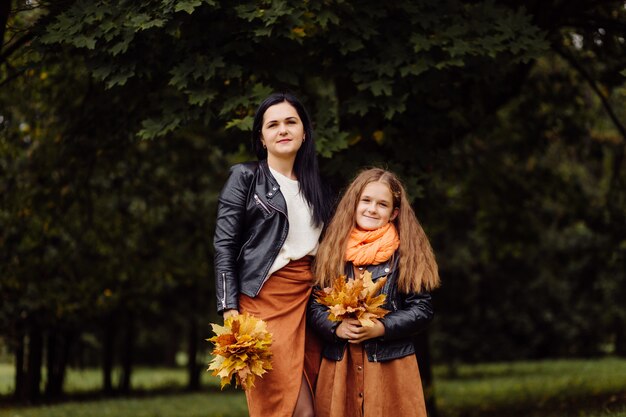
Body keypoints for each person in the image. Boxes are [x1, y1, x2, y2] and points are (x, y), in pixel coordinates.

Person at [213, 92, 331, 417]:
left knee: (318, 403)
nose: (283, 130)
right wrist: (229, 310)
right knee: (292, 409)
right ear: (262, 138)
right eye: (273, 124)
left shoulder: (319, 188)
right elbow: (225, 245)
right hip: (262, 306)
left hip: (308, 305)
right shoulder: (245, 178)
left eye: (291, 122)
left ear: (304, 132)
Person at [308, 168, 440, 417]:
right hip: (341, 365)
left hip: (390, 366)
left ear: (394, 213)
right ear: (354, 203)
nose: (372, 209)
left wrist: (382, 327)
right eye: (366, 200)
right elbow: (314, 306)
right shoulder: (332, 251)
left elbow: (422, 309)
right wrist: (335, 328)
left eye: (382, 204)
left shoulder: (406, 254)